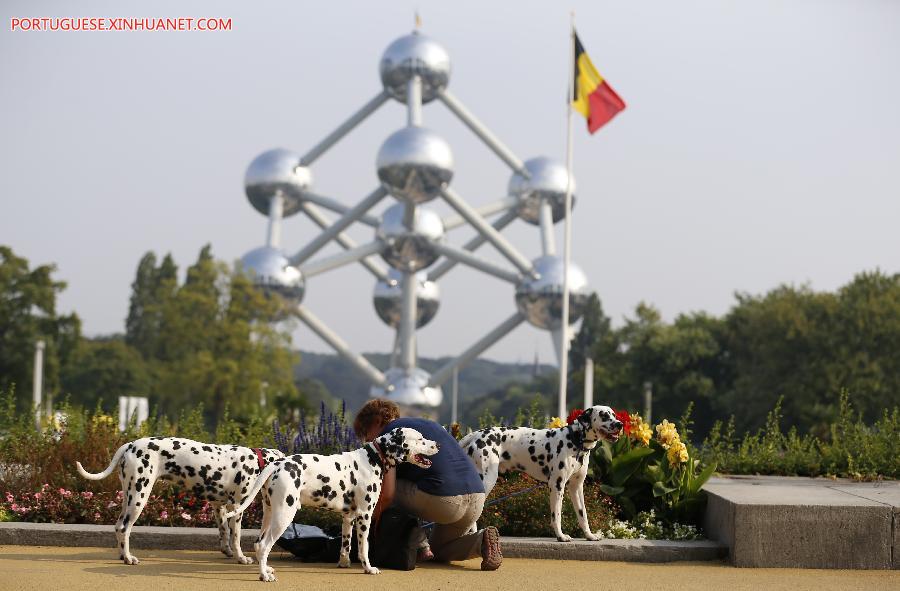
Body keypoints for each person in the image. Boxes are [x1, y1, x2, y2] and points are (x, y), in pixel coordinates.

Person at [353, 399, 502, 571]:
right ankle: (481, 540)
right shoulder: (431, 425)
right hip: (477, 498)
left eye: (365, 433)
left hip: (444, 500)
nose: (367, 440)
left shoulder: (389, 436)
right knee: (439, 551)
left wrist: (364, 522)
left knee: (379, 485)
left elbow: (387, 495)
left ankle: (418, 538)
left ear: (377, 421)